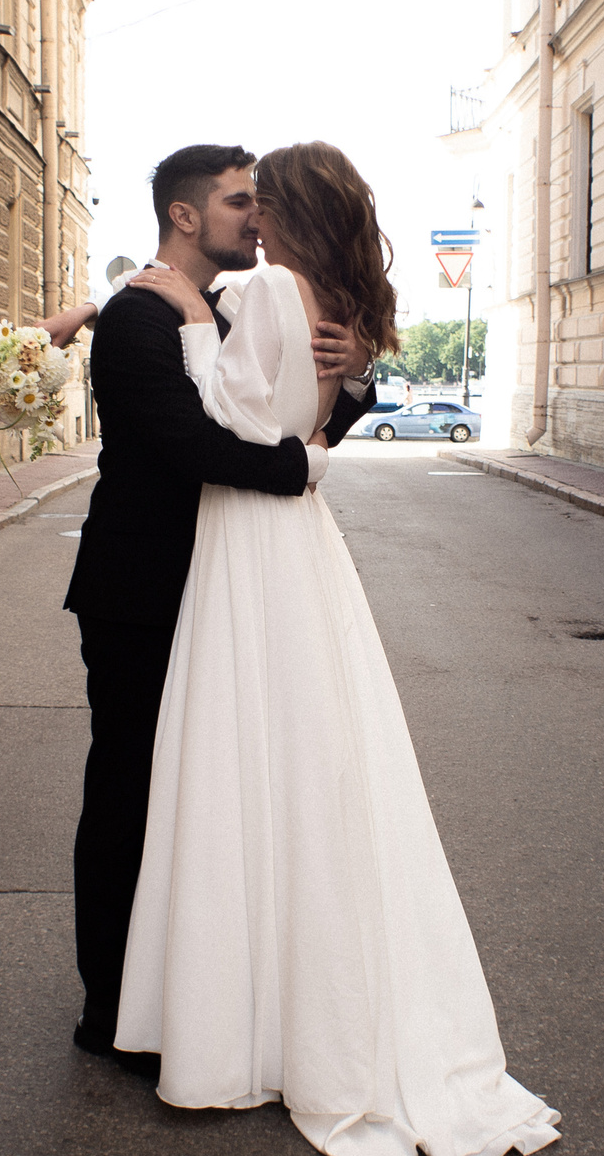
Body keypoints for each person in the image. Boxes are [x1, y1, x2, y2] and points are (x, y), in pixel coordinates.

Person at [115, 142, 561, 1156]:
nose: (250, 217)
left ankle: (247, 1018)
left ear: (286, 210)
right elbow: (300, 422)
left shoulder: (272, 291)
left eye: (258, 201)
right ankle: (302, 1006)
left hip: (251, 542)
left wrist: (192, 326)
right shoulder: (330, 306)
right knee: (311, 762)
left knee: (242, 761)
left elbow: (227, 420)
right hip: (294, 547)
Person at [58, 145, 378, 1079]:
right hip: (141, 592)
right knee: (130, 793)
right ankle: (109, 1004)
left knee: (211, 795)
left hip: (229, 588)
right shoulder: (136, 318)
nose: (256, 215)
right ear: (186, 216)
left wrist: (353, 377)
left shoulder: (237, 304)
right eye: (240, 201)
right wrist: (305, 467)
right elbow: (196, 446)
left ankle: (195, 990)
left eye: (260, 200)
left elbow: (288, 410)